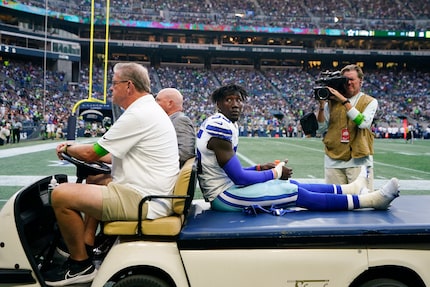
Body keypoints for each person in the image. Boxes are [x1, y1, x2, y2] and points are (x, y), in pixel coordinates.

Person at [43, 62, 179, 286]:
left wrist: (67, 148)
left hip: (143, 199)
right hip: (151, 192)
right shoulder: (146, 110)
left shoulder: (138, 114)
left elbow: (91, 153)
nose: (111, 89)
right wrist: (79, 150)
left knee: (61, 195)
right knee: (96, 178)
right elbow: (108, 154)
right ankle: (86, 243)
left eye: (114, 84)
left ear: (128, 86)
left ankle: (79, 264)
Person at [196, 83, 399, 213]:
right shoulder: (219, 127)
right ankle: (370, 201)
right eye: (228, 100)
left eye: (238, 100)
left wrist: (260, 168)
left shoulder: (225, 123)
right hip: (224, 197)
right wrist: (275, 172)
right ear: (218, 105)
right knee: (292, 192)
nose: (235, 104)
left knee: (292, 184)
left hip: (228, 189)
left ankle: (350, 189)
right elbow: (239, 177)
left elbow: (231, 172)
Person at [316, 64, 378, 191]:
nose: (348, 83)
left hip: (358, 161)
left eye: (352, 79)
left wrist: (344, 101)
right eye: (345, 80)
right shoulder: (331, 102)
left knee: (361, 202)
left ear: (360, 81)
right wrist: (322, 106)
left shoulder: (369, 101)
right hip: (333, 160)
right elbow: (320, 129)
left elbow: (363, 123)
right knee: (336, 203)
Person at [156, 87, 196, 167]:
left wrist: (156, 159)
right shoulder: (170, 120)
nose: (155, 103)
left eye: (158, 100)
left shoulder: (180, 121)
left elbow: (185, 153)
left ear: (170, 103)